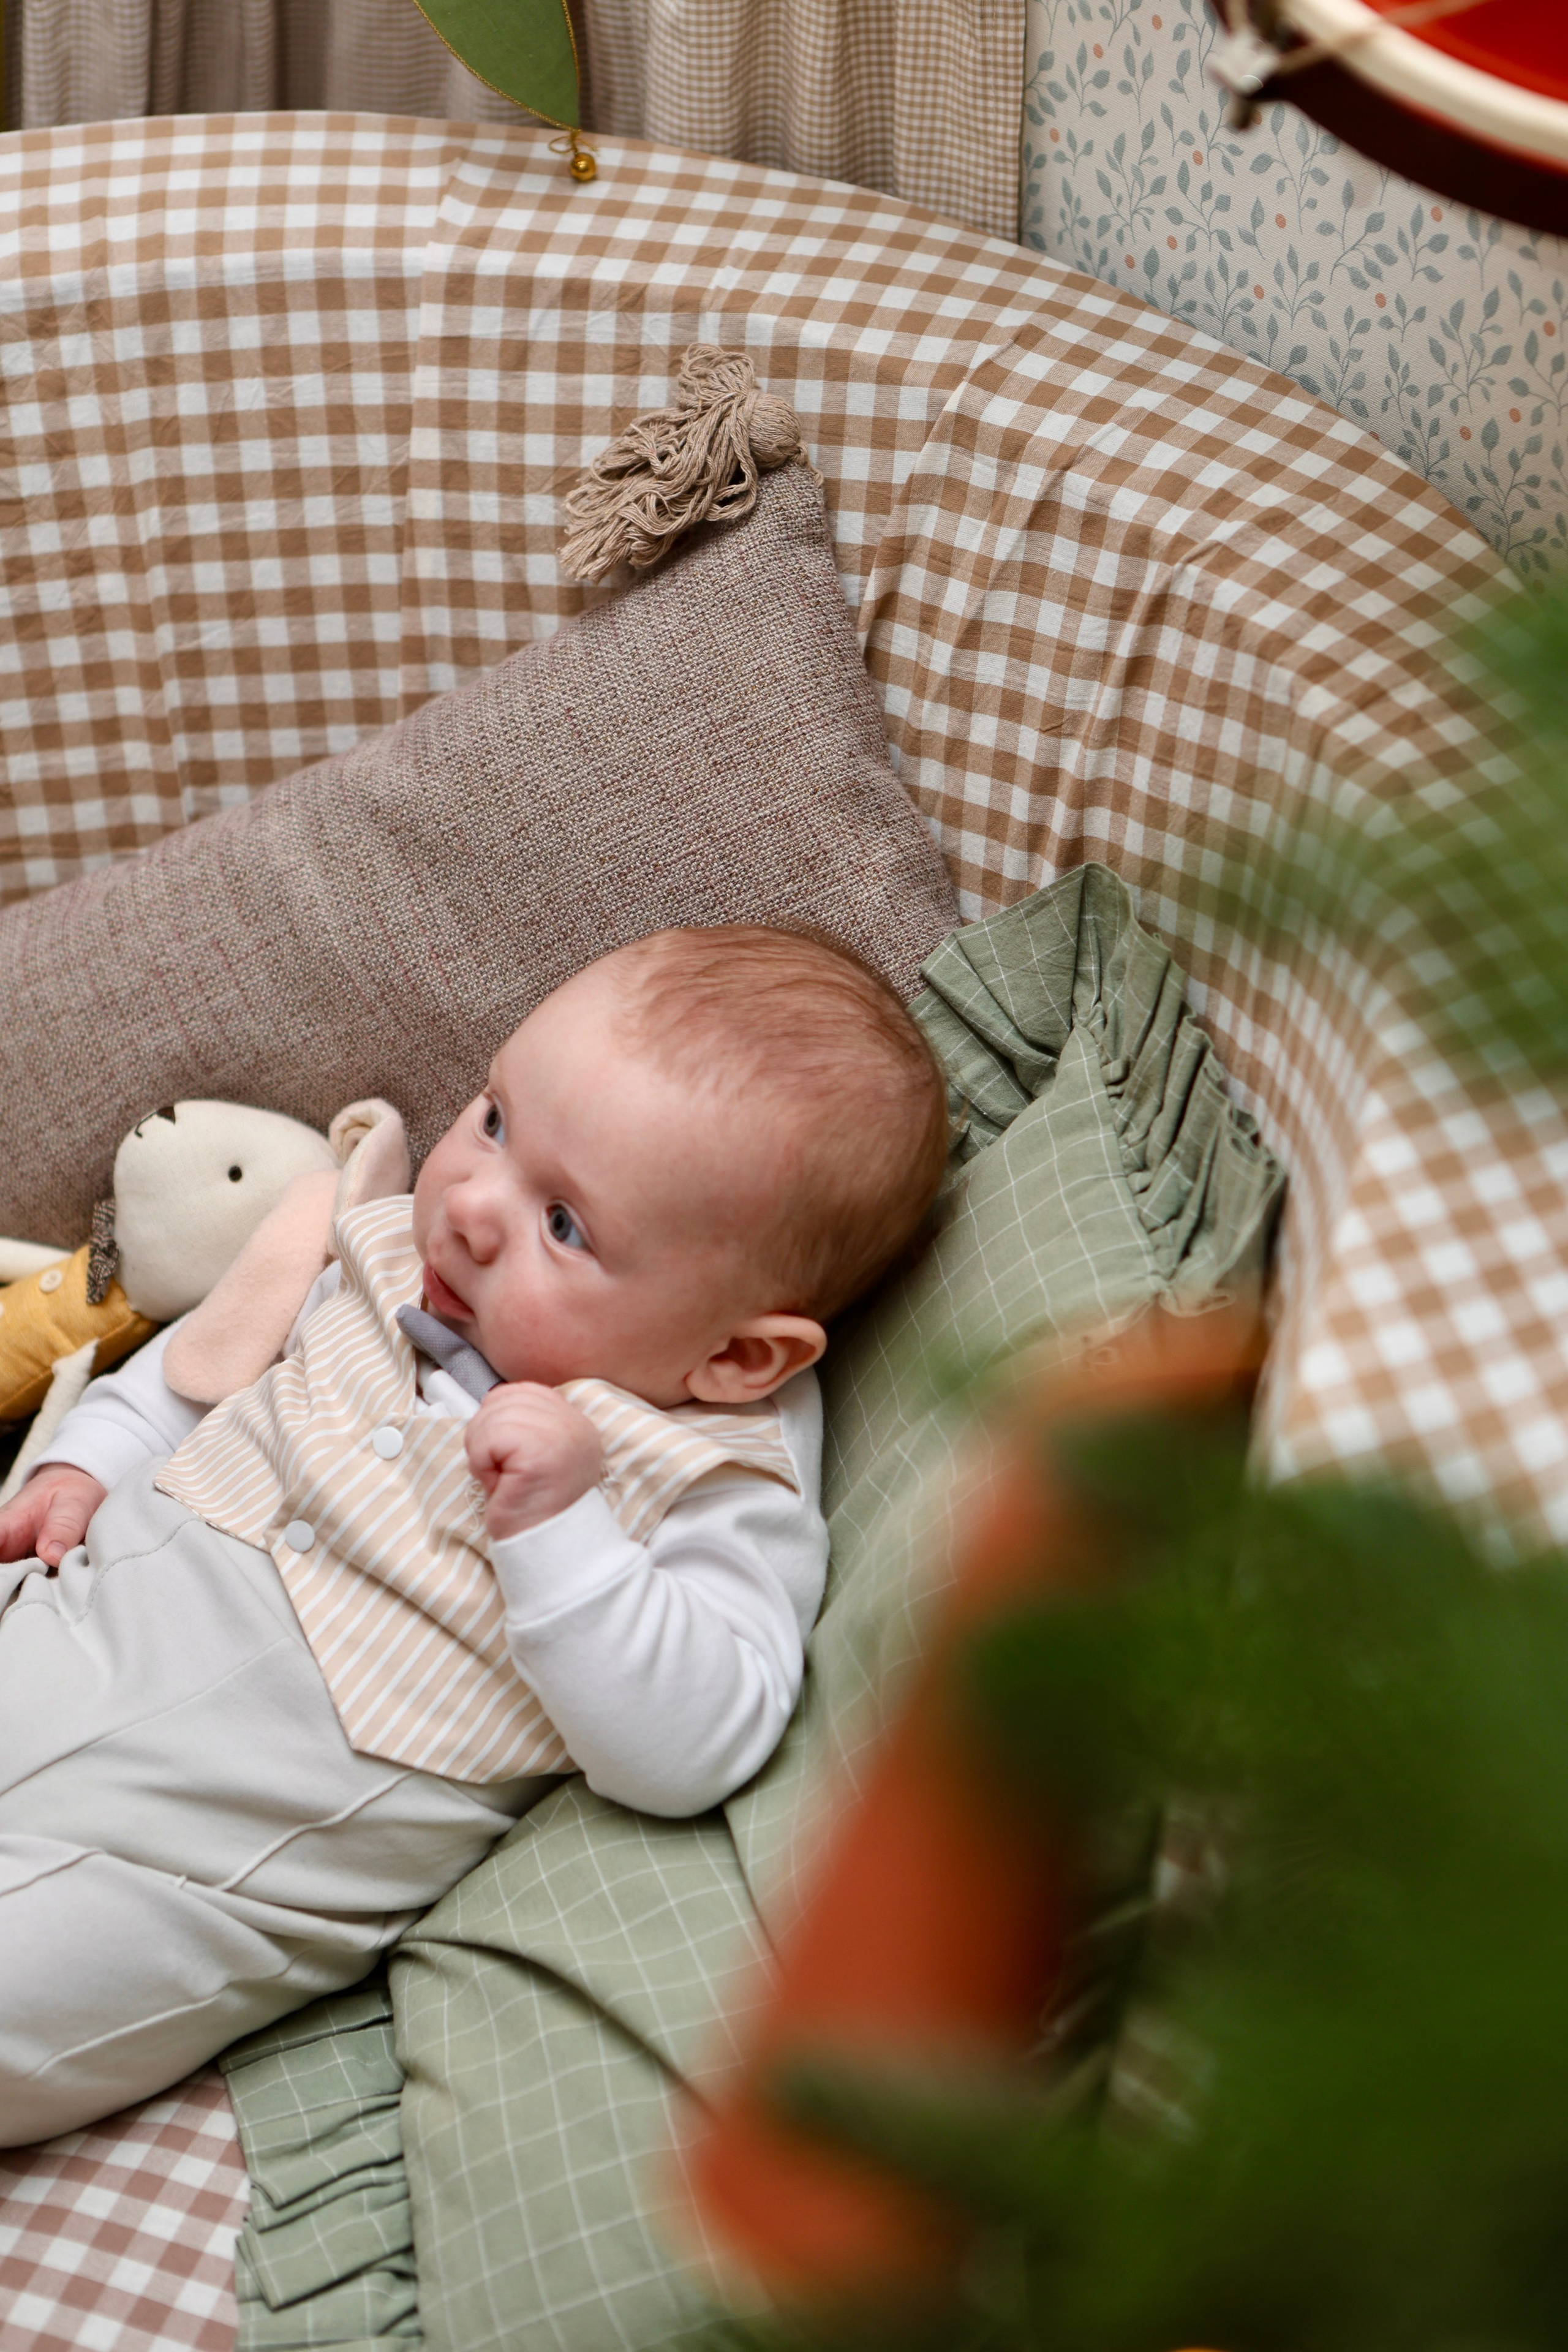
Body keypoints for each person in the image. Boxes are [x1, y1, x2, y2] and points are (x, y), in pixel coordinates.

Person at [0, 924, 949, 2144]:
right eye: (495, 1120)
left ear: (735, 1356)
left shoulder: (713, 1471)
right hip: (78, 1618)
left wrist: (560, 1530)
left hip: (196, 1866)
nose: (470, 1205)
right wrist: (88, 1460)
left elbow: (699, 1738)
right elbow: (208, 1365)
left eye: (566, 1227)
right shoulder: (389, 1243)